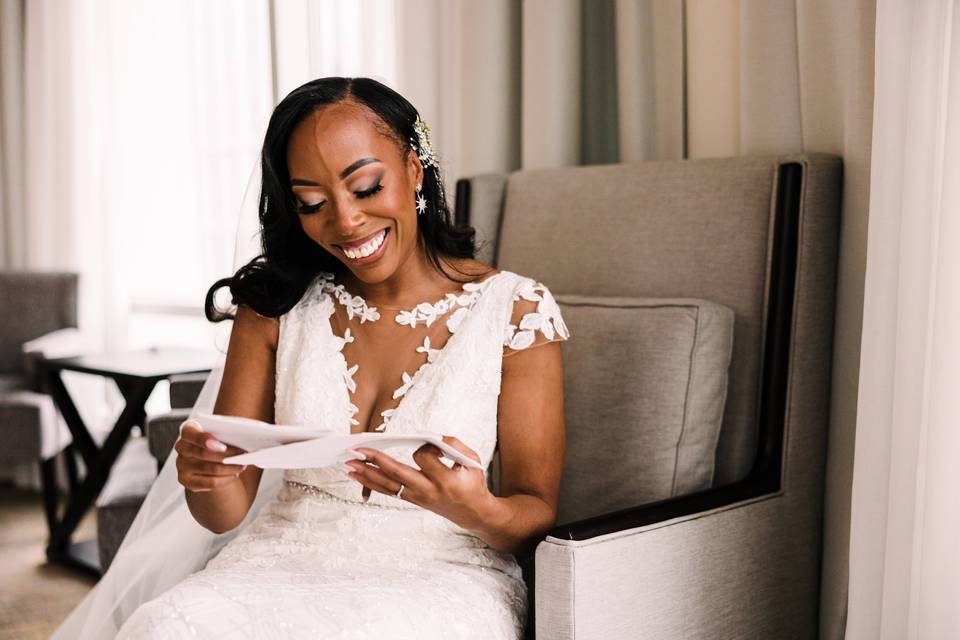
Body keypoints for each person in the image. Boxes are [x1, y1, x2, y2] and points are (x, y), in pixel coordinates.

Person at [103, 76, 570, 638]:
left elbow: (534, 516)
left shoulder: (515, 310)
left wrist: (473, 507)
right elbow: (224, 514)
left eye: (367, 188)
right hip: (274, 565)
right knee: (171, 626)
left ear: (414, 170)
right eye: (312, 204)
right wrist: (206, 477)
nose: (345, 223)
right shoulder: (275, 308)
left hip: (442, 578)